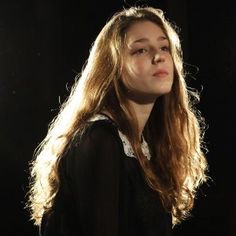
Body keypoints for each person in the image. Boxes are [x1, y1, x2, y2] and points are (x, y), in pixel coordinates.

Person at [26, 6, 209, 236]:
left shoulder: (145, 145)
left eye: (164, 47)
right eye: (141, 50)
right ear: (113, 65)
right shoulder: (99, 139)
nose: (159, 56)